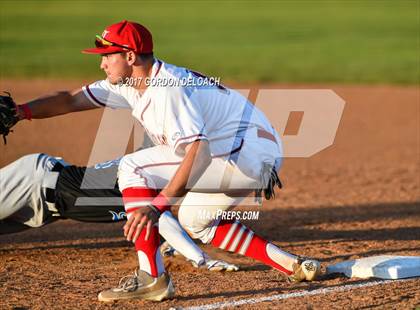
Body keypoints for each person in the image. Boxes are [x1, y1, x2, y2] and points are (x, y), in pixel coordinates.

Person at [9, 20, 321, 302]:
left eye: (108, 55)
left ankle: (151, 277)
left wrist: (157, 205)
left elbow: (199, 153)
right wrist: (21, 112)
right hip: (255, 155)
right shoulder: (132, 83)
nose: (102, 63)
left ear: (130, 56)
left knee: (133, 167)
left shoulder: (166, 91)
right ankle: (290, 264)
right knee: (196, 221)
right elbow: (71, 99)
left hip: (241, 154)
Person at [0, 153, 239, 272]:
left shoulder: (154, 174)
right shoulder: (140, 176)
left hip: (46, 209)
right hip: (33, 181)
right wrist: (199, 257)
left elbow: (158, 218)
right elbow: (160, 219)